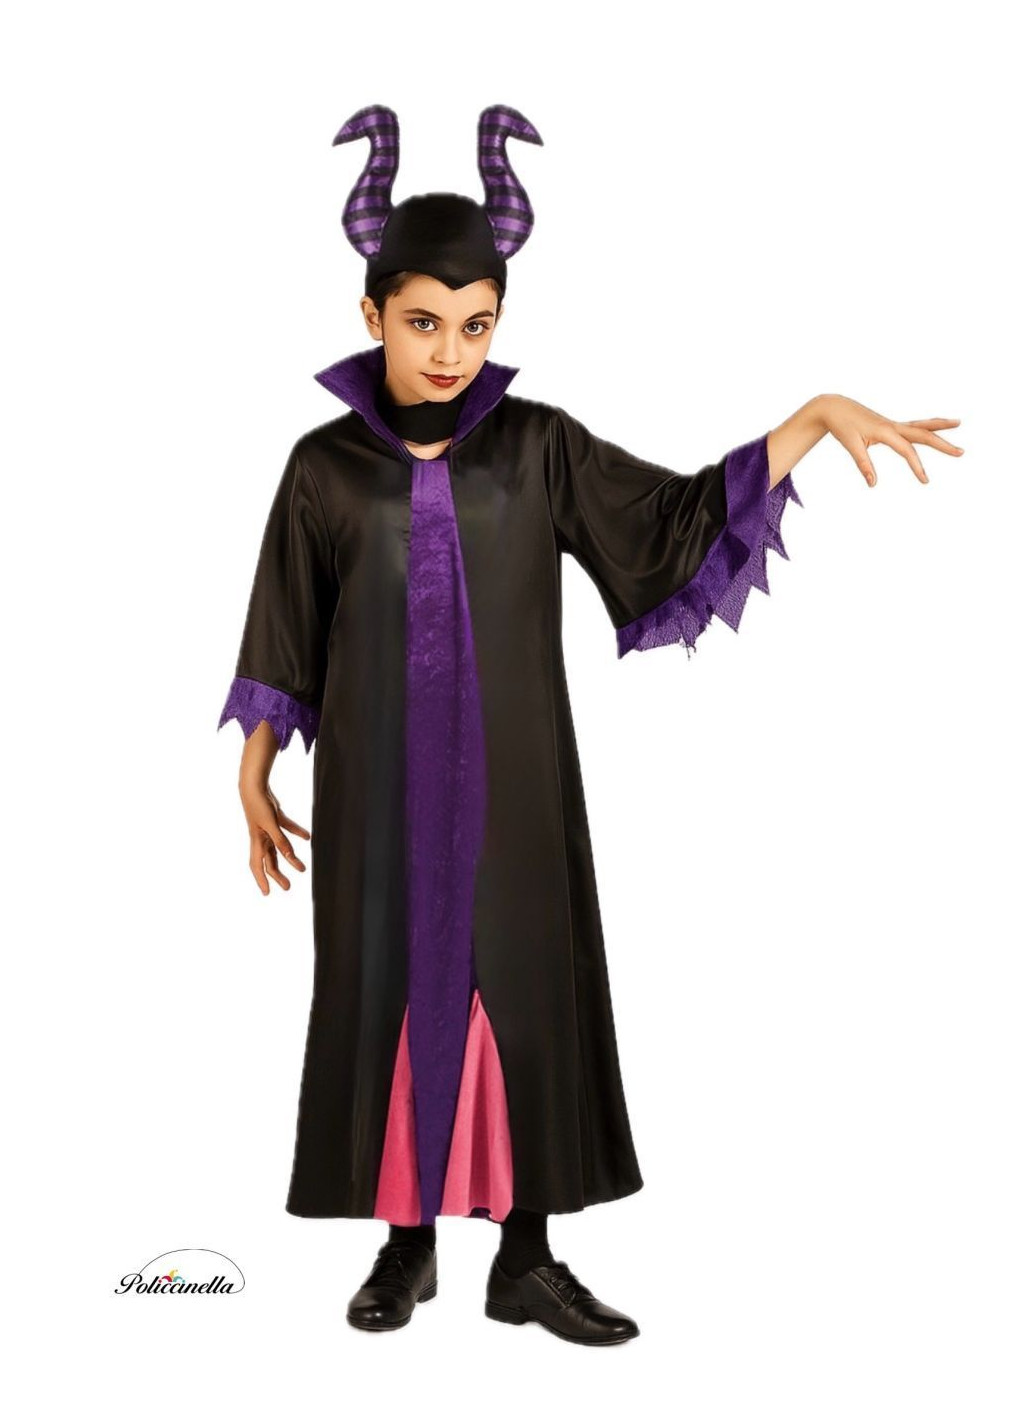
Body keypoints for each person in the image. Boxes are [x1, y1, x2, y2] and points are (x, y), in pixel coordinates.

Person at [217, 102, 964, 1346]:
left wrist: (813, 417)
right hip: (375, 803)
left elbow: (664, 525)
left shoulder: (538, 450)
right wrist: (253, 775)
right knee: (384, 988)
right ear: (371, 314)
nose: (449, 351)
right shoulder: (321, 470)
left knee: (523, 991)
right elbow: (282, 627)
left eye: (476, 324)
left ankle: (524, 1259)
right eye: (422, 322)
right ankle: (405, 1246)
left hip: (514, 795)